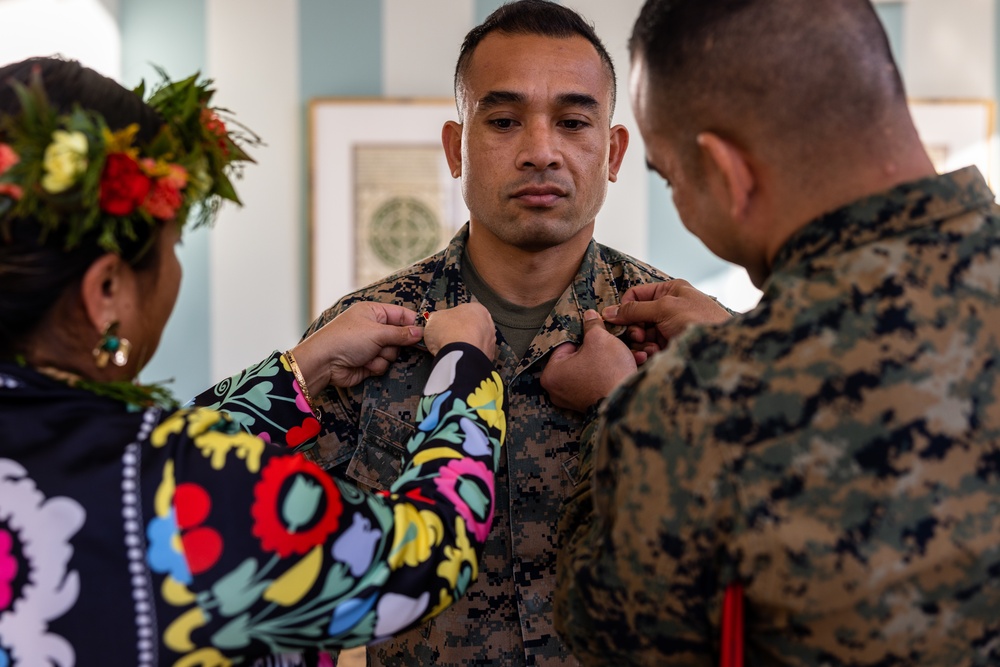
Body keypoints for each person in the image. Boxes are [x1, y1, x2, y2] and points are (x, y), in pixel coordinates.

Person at [0, 56, 508, 666]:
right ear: (107, 290)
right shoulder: (183, 483)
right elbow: (419, 562)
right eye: (172, 248)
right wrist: (465, 372)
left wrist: (305, 368)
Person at [550, 0, 1000, 664]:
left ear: (729, 172)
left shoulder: (693, 407)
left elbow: (610, 633)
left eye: (672, 179)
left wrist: (618, 405)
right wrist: (738, 336)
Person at [303, 2, 728, 664]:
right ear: (456, 147)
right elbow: (284, 554)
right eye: (503, 121)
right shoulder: (368, 334)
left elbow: (735, 558)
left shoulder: (676, 335)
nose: (539, 152)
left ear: (612, 152)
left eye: (573, 122)